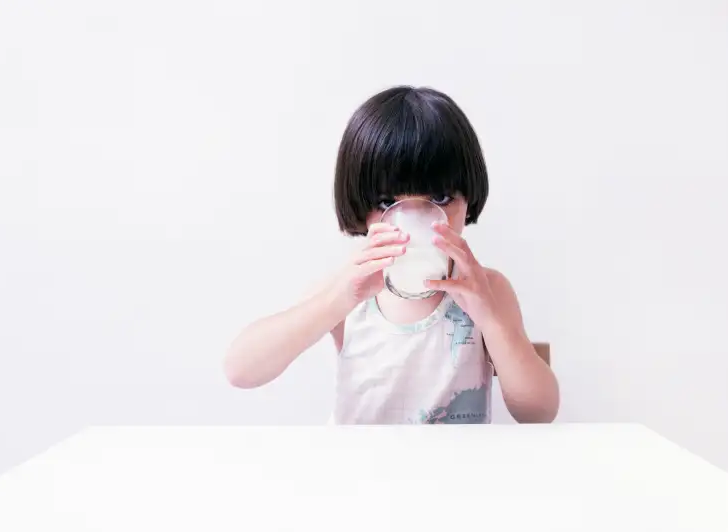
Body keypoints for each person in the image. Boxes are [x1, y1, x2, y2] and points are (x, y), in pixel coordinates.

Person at [224, 86, 559, 424]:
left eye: (440, 198)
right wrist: (334, 302)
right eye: (387, 203)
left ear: (468, 199)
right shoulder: (349, 290)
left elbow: (539, 412)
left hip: (455, 473)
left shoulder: (487, 289)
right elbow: (240, 370)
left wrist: (491, 320)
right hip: (364, 472)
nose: (416, 221)